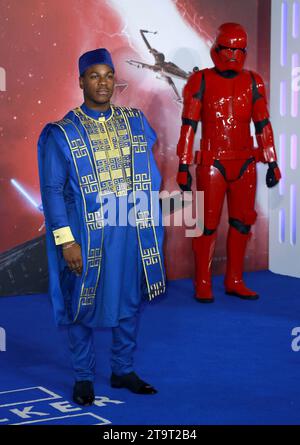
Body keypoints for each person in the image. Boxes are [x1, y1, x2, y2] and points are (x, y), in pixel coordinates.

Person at [38, 48, 166, 405]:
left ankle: (122, 369)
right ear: (81, 81)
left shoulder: (134, 121)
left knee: (129, 298)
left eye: (108, 75)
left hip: (129, 229)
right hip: (86, 232)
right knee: (82, 301)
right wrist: (66, 242)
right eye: (94, 76)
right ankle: (83, 376)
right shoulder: (62, 133)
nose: (103, 83)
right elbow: (52, 190)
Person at [176, 23, 281, 303]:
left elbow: (263, 124)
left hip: (245, 163)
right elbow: (189, 126)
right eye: (228, 49)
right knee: (206, 226)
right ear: (217, 49)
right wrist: (184, 164)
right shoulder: (201, 81)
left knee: (242, 223)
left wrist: (272, 162)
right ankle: (202, 282)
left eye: (239, 50)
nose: (233, 55)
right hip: (213, 164)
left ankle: (235, 279)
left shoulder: (253, 81)